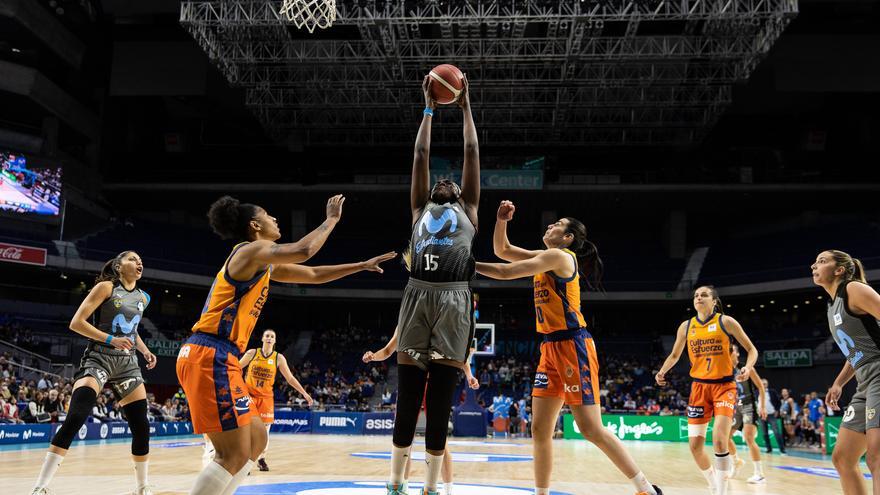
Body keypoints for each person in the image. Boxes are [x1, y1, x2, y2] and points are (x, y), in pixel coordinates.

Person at [177, 194, 394, 495]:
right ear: (255, 226)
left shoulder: (263, 263)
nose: (275, 219)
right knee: (231, 455)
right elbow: (305, 250)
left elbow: (314, 274)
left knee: (256, 439)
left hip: (218, 354)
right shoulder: (249, 251)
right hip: (210, 352)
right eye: (268, 214)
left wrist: (360, 265)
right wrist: (331, 219)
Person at [475, 200, 662, 495]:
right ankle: (542, 492)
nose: (550, 225)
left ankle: (645, 488)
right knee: (539, 430)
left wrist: (464, 265)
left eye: (557, 224)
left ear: (568, 238)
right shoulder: (547, 255)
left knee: (590, 429)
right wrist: (501, 221)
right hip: (550, 347)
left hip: (574, 345)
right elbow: (503, 252)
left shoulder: (561, 257)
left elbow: (505, 272)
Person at [386, 73, 480, 495]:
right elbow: (421, 152)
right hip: (417, 293)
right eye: (439, 181)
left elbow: (471, 150)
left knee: (439, 403)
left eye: (452, 182)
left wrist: (464, 108)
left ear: (460, 195)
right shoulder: (418, 207)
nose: (444, 180)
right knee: (408, 399)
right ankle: (394, 483)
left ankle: (429, 487)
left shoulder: (472, 210)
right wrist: (427, 107)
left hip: (455, 300)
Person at [30, 251, 158, 495]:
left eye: (141, 259)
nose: (139, 261)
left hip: (127, 363)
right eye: (132, 259)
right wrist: (111, 340)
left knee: (141, 425)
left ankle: (142, 488)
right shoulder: (106, 287)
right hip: (99, 358)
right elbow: (76, 322)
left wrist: (144, 350)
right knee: (76, 416)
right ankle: (40, 486)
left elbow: (131, 330)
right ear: (119, 267)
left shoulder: (144, 297)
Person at [656, 285, 758, 495]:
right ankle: (713, 482)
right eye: (696, 295)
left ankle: (721, 490)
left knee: (720, 440)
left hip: (724, 387)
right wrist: (662, 371)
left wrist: (748, 367)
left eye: (704, 295)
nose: (699, 298)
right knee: (695, 447)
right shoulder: (686, 326)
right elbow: (675, 355)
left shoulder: (725, 321)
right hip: (699, 388)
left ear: (714, 301)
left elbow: (751, 349)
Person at [364, 326, 479, 495]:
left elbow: (457, 352)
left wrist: (469, 374)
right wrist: (374, 356)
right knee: (405, 439)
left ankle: (447, 490)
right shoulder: (406, 319)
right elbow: (389, 349)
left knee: (440, 442)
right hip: (412, 380)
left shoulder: (440, 316)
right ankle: (401, 486)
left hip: (435, 381)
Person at [813, 250, 880, 495]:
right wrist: (839, 382)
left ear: (839, 269)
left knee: (876, 457)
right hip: (865, 380)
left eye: (822, 261)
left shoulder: (854, 289)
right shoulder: (833, 307)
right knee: (842, 458)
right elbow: (858, 350)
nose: (814, 265)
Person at [239, 328, 314, 472]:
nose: (269, 338)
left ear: (274, 340)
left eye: (272, 336)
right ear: (262, 338)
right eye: (266, 335)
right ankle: (247, 462)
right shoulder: (252, 353)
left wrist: (304, 393)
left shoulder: (278, 358)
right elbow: (236, 368)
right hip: (249, 396)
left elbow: (290, 378)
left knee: (264, 432)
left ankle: (261, 458)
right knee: (248, 429)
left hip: (266, 398)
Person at [726, 343, 768, 484]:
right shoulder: (725, 370)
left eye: (732, 350)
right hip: (735, 406)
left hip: (749, 405)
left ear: (737, 353)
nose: (729, 352)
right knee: (725, 438)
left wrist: (762, 406)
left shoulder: (745, 368)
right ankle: (736, 461)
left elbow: (761, 387)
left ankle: (759, 473)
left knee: (749, 438)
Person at [760, 378, 786, 454]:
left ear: (767, 385)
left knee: (776, 432)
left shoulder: (772, 392)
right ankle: (769, 449)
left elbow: (779, 402)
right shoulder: (757, 392)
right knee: (764, 433)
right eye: (762, 383)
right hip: (761, 416)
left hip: (771, 415)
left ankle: (782, 449)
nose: (763, 385)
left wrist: (777, 410)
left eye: (765, 384)